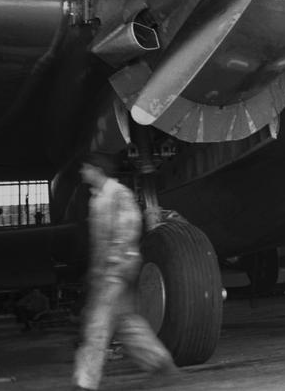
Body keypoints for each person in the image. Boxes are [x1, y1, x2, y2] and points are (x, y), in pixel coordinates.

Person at [72, 152, 176, 391]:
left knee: (96, 326)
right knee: (126, 324)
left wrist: (113, 268)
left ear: (96, 169)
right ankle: (160, 362)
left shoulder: (118, 194)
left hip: (115, 271)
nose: (82, 172)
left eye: (85, 167)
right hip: (107, 272)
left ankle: (85, 382)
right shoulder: (97, 198)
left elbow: (126, 232)